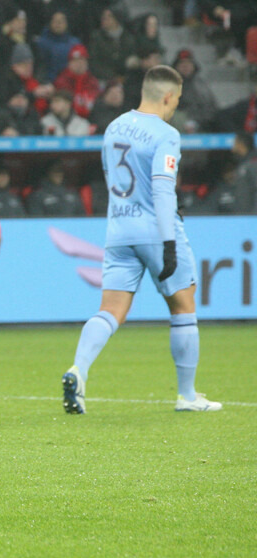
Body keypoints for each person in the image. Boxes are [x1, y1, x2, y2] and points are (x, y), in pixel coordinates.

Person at [63, 65, 221, 414]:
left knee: (110, 310)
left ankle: (78, 369)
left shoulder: (113, 127)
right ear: (168, 96)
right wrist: (168, 243)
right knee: (183, 306)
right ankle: (187, 395)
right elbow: (163, 190)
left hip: (118, 230)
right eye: (177, 99)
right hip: (156, 229)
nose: (176, 105)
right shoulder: (167, 134)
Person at [172, 49, 217, 133]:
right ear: (176, 66)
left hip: (201, 125)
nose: (185, 66)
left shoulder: (202, 85)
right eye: (181, 63)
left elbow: (211, 108)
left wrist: (195, 122)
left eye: (188, 63)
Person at [88, 7, 135, 82]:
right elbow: (94, 62)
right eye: (103, 16)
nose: (104, 18)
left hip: (126, 78)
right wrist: (112, 76)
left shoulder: (128, 38)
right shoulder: (96, 37)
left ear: (117, 19)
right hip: (104, 79)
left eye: (109, 16)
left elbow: (132, 58)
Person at [53, 44, 99, 119]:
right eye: (75, 60)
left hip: (91, 119)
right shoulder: (61, 81)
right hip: (68, 119)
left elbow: (96, 103)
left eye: (82, 60)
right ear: (69, 63)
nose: (79, 64)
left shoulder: (92, 81)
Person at [35, 11, 79, 83]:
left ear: (66, 24)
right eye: (55, 21)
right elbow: (41, 67)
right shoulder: (42, 43)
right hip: (49, 82)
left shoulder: (75, 42)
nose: (58, 24)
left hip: (71, 82)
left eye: (61, 21)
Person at [230, 132, 257, 214]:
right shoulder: (244, 163)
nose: (232, 147)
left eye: (234, 143)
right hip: (243, 217)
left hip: (251, 219)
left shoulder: (253, 163)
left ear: (240, 144)